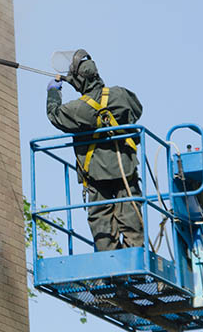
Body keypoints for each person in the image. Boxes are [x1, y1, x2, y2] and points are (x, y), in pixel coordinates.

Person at [46, 49, 144, 251]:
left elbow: (55, 115)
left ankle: (109, 263)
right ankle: (135, 253)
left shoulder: (78, 108)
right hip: (125, 166)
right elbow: (137, 109)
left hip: (97, 173)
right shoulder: (120, 95)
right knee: (131, 211)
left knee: (101, 217)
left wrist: (54, 93)